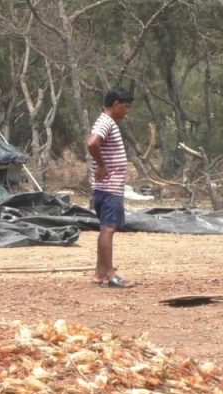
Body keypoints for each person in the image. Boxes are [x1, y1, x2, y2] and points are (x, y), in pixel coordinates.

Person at [86, 86, 134, 288]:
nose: (126, 112)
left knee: (105, 229)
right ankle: (111, 275)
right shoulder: (106, 121)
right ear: (116, 104)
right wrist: (103, 165)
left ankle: (100, 272)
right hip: (109, 187)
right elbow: (92, 143)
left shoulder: (106, 122)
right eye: (125, 107)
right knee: (109, 229)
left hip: (107, 187)